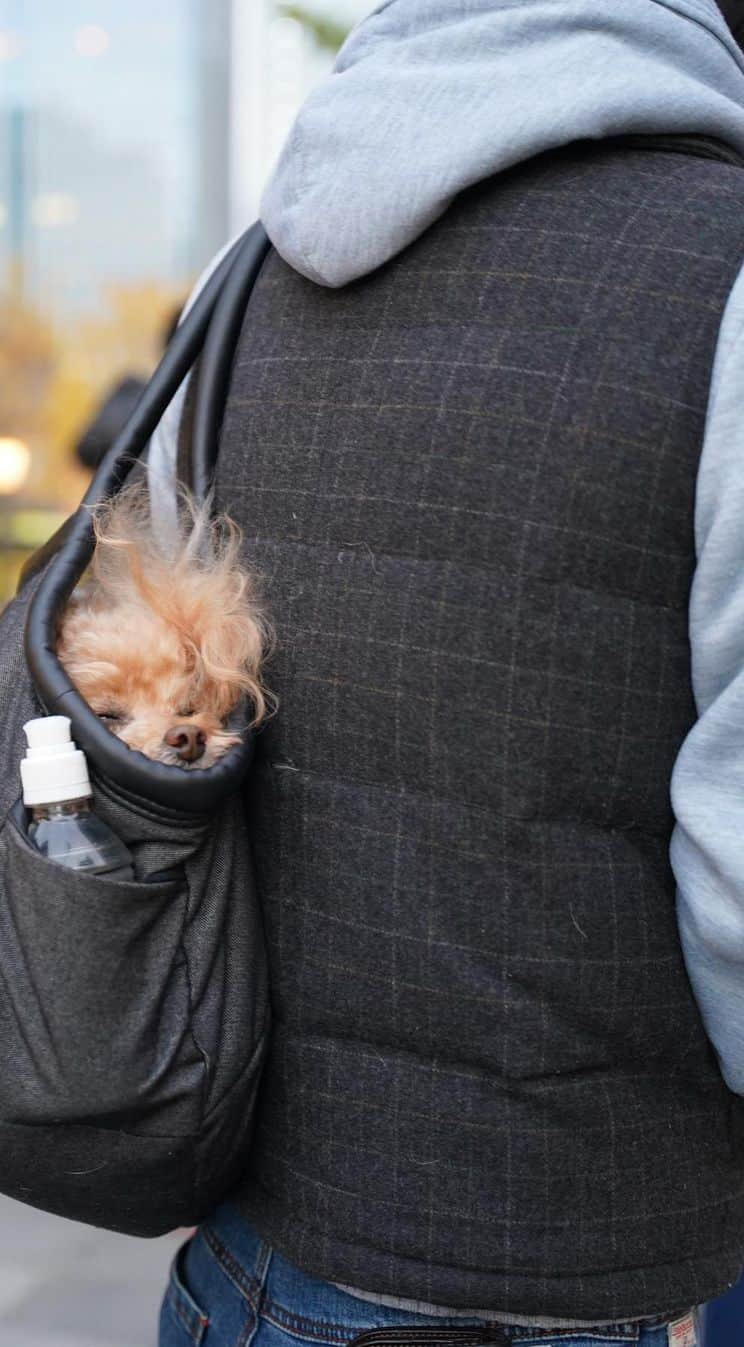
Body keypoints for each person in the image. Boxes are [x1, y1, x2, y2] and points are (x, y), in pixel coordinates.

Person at [148, 1, 744, 1343]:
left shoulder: (241, 280)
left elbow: (161, 706)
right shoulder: (727, 276)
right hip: (574, 1259)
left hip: (244, 1251)